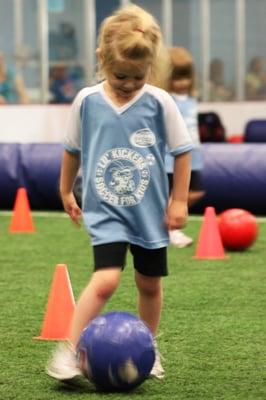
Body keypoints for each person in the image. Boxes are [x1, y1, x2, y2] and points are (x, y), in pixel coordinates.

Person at [46, 4, 192, 382]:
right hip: (106, 211)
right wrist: (65, 190)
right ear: (102, 60)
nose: (128, 83)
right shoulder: (87, 101)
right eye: (120, 75)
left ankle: (149, 347)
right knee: (106, 279)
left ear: (151, 69)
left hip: (150, 212)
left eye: (138, 77)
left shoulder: (160, 103)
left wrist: (178, 200)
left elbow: (182, 152)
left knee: (149, 283)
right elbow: (71, 150)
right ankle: (69, 349)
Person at [165, 47, 205, 248]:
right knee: (174, 193)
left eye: (186, 77)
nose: (182, 83)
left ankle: (165, 221)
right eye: (177, 78)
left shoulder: (191, 98)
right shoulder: (166, 99)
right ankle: (172, 230)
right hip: (171, 156)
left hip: (192, 153)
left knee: (196, 191)